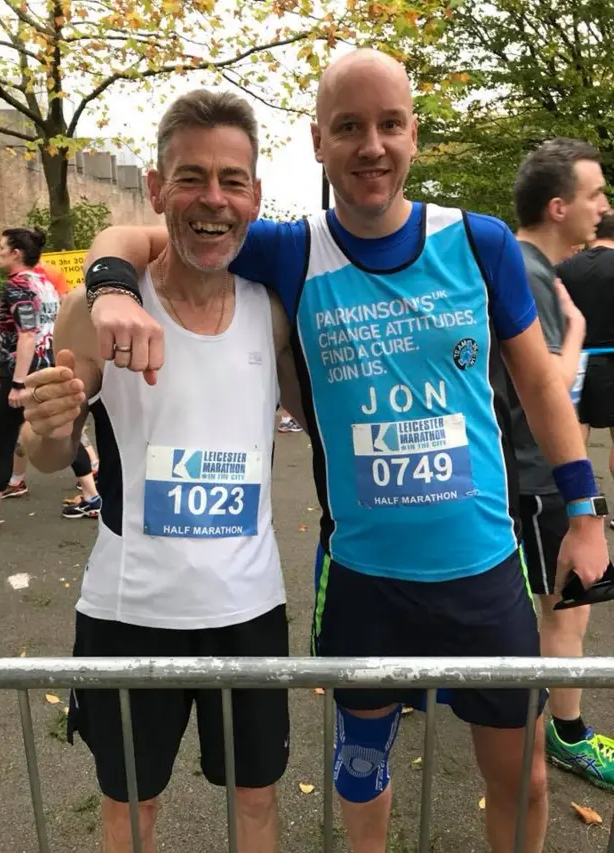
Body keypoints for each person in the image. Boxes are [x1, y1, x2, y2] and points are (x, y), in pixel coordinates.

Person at [80, 51, 609, 853]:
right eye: (350, 127)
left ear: (413, 136)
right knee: (362, 774)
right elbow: (131, 226)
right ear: (318, 141)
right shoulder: (290, 251)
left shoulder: (480, 242)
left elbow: (540, 384)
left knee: (526, 775)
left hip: (484, 574)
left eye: (390, 125)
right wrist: (114, 286)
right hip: (364, 582)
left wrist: (584, 513)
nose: (373, 146)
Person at [20, 90, 303, 853]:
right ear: (155, 188)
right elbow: (50, 452)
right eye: (191, 177)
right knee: (132, 810)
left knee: (255, 802)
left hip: (249, 611)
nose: (213, 199)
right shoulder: (101, 308)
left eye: (232, 180)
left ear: (255, 195)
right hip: (128, 612)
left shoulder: (271, 309)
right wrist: (45, 429)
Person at [511, 140, 614, 790]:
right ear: (558, 206)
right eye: (596, 194)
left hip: (539, 476)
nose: (604, 208)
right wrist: (575, 332)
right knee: (572, 606)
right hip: (541, 478)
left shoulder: (529, 267)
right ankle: (568, 733)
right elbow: (550, 385)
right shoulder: (529, 272)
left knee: (566, 605)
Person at [0, 229, 60, 533]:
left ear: (16, 253)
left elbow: (26, 334)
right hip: (45, 365)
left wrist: (18, 382)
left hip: (24, 374)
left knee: (2, 442)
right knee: (57, 431)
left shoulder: (17, 286)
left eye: (1, 248)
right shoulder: (44, 283)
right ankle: (91, 494)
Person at [558, 210, 614, 527]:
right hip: (613, 358)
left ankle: (578, 507)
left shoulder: (566, 266)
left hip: (575, 358)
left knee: (575, 435)